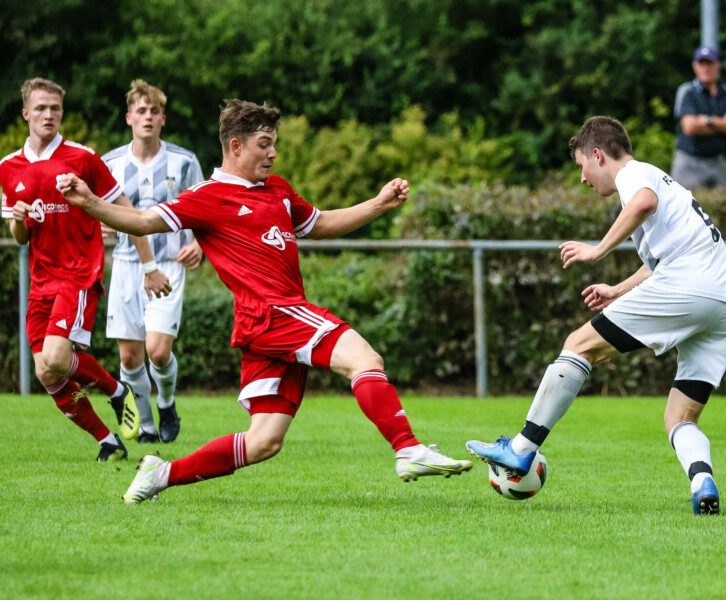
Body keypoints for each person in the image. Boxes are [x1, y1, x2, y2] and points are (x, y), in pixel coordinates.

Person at [59, 99, 473, 504]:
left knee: (263, 442)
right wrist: (90, 202)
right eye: (264, 143)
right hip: (273, 312)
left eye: (274, 143)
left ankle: (161, 473)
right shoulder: (207, 195)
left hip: (268, 323)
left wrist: (378, 203)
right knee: (365, 359)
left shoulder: (276, 189)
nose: (273, 152)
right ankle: (408, 449)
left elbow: (321, 223)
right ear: (235, 146)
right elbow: (143, 221)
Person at [467, 116, 726, 515]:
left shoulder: (635, 176)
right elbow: (659, 260)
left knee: (579, 346)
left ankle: (520, 449)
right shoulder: (663, 182)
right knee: (680, 415)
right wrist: (616, 290)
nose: (583, 179)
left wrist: (597, 249)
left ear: (598, 155)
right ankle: (702, 481)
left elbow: (644, 204)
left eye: (582, 166)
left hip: (690, 284)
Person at [0, 78, 142, 461]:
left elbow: (124, 206)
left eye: (55, 109)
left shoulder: (82, 158)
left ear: (62, 113)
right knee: (47, 372)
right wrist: (17, 220)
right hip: (41, 279)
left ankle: (116, 389)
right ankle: (107, 442)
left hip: (79, 273)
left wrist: (148, 260)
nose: (49, 115)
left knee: (58, 359)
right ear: (26, 112)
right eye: (41, 108)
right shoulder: (8, 168)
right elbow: (21, 238)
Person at [102, 80, 205, 444]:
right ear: (129, 118)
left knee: (158, 352)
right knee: (130, 359)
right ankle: (146, 427)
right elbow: (98, 215)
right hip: (126, 267)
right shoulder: (109, 164)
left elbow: (205, 214)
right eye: (140, 111)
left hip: (168, 264)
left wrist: (200, 246)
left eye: (154, 111)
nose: (147, 117)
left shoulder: (185, 161)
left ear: (163, 118)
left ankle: (167, 402)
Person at [671, 46, 726, 189]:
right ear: (695, 66)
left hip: (717, 162)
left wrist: (706, 121)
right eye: (701, 64)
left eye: (710, 63)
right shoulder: (687, 91)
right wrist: (723, 123)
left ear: (718, 65)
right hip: (689, 162)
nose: (706, 68)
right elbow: (690, 127)